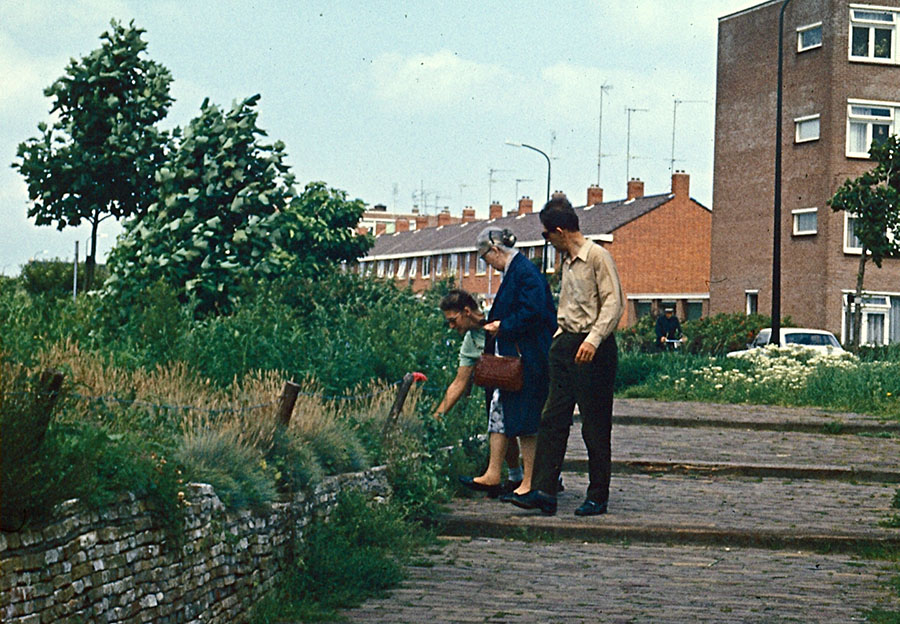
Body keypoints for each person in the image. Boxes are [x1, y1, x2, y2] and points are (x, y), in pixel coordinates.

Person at [504, 196, 624, 516]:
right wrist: (560, 339)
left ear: (559, 231)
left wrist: (593, 340)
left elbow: (613, 303)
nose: (547, 241)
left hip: (593, 348)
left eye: (546, 235)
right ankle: (544, 490)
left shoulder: (597, 256)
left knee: (594, 425)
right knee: (552, 418)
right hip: (566, 344)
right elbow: (570, 306)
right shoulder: (568, 263)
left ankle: (597, 495)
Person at [457, 227, 557, 498]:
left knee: (527, 419)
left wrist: (503, 325)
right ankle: (493, 473)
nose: (488, 265)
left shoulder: (524, 272)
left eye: (486, 259)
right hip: (515, 357)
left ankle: (529, 482)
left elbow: (533, 311)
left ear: (495, 250)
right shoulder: (518, 271)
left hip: (528, 358)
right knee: (500, 413)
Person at [436, 289, 523, 495]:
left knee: (530, 427)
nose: (451, 326)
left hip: (522, 376)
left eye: (453, 320)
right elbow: (459, 382)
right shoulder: (471, 341)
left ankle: (548, 477)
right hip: (497, 384)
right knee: (500, 426)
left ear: (467, 311)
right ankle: (515, 477)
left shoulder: (497, 317)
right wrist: (437, 416)